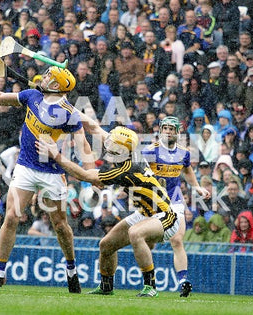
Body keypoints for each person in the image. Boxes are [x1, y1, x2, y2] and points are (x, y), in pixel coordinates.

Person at [0, 59, 94, 293]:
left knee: (60, 226)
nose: (45, 77)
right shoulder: (32, 95)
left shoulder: (69, 115)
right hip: (25, 166)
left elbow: (84, 149)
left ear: (58, 86)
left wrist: (92, 176)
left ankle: (71, 269)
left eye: (50, 77)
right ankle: (0, 273)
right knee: (11, 216)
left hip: (52, 171)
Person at [37, 124, 179, 297]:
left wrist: (56, 155)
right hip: (144, 213)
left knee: (135, 233)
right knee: (106, 245)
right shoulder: (130, 153)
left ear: (121, 149)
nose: (108, 145)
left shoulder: (125, 169)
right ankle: (106, 287)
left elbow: (85, 176)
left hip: (165, 216)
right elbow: (96, 129)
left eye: (113, 143)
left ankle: (151, 287)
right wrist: (73, 112)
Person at [142, 116, 210, 297]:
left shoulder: (184, 153)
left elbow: (187, 171)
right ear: (160, 131)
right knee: (148, 243)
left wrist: (197, 187)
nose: (168, 132)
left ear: (177, 132)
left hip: (175, 201)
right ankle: (149, 284)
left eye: (172, 129)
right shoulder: (150, 151)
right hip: (153, 201)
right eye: (165, 128)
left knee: (177, 240)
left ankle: (183, 281)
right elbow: (139, 173)